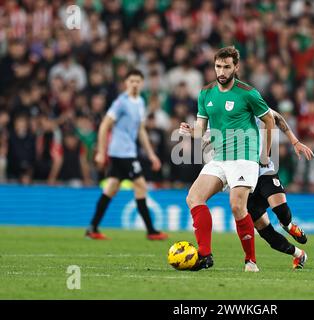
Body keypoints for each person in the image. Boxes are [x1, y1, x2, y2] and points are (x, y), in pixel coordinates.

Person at [180, 46, 275, 272]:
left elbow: (269, 120)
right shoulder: (205, 93)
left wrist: (265, 154)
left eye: (226, 67)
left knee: (236, 205)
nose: (221, 71)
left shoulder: (248, 93)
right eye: (218, 66)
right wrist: (190, 130)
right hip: (219, 157)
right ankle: (204, 255)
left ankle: (250, 261)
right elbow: (202, 128)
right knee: (193, 198)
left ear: (236, 67)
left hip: (244, 157)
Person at [86, 69, 167, 241]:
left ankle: (92, 228)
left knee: (111, 188)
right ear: (126, 83)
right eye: (131, 81)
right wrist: (101, 152)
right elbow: (104, 126)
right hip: (121, 153)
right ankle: (151, 231)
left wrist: (151, 154)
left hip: (128, 152)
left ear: (142, 83)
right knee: (141, 185)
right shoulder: (121, 102)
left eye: (138, 81)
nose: (135, 84)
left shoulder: (140, 102)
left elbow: (140, 130)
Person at [248, 108, 314, 269]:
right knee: (265, 232)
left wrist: (295, 141)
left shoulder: (250, 102)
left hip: (264, 171)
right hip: (243, 180)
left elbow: (276, 118)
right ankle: (298, 254)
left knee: (281, 210)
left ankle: (289, 226)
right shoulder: (223, 113)